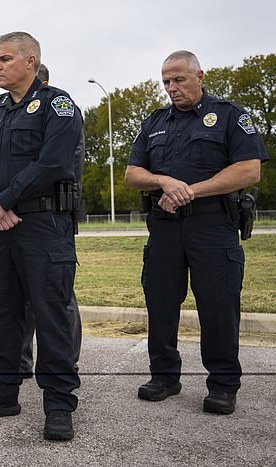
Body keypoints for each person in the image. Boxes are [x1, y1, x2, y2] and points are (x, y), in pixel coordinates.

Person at [125, 50, 269, 415]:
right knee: (160, 301)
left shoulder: (229, 116)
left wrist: (190, 190)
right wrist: (162, 180)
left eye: (179, 80)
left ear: (200, 76)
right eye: (166, 82)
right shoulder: (154, 122)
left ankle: (222, 385)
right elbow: (132, 175)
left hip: (212, 225)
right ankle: (164, 376)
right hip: (164, 227)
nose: (172, 88)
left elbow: (250, 170)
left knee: (219, 305)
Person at [0, 32, 82, 440]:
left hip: (44, 227)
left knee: (51, 313)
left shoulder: (58, 106)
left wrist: (5, 200)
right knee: (1, 311)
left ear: (31, 62)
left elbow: (52, 162)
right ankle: (3, 393)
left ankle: (60, 403)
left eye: (5, 58)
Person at [19, 63, 84, 378]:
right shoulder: (10, 114)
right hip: (20, 215)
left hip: (53, 215)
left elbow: (60, 165)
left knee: (58, 296)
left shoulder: (60, 111)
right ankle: (20, 364)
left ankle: (65, 361)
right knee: (21, 296)